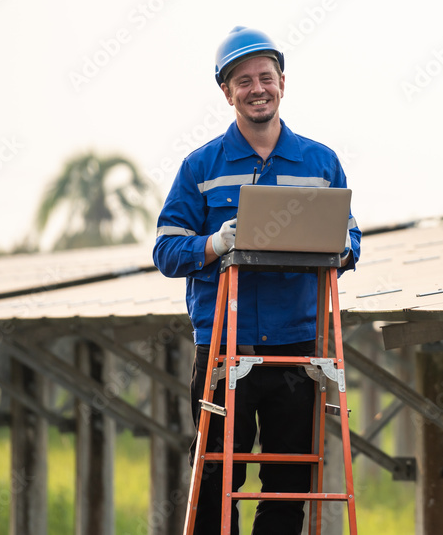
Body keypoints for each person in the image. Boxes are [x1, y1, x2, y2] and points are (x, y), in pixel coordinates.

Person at [152, 26, 361, 534]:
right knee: (213, 484)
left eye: (265, 76)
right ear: (227, 93)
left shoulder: (320, 162)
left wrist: (336, 247)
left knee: (288, 485)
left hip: (298, 350)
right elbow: (165, 250)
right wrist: (213, 244)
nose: (256, 88)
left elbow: (353, 241)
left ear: (283, 83)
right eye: (242, 81)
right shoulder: (200, 167)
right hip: (224, 350)